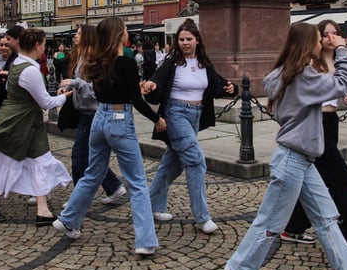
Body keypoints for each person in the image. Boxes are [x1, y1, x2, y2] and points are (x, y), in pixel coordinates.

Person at [224, 23, 347, 270]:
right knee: (271, 220)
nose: (323, 43)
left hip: (302, 158)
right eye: (319, 40)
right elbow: (342, 83)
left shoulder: (288, 74)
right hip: (293, 158)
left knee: (327, 218)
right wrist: (342, 49)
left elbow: (280, 81)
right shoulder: (303, 77)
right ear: (309, 45)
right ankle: (241, 267)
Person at [53, 17, 167, 257]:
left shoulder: (96, 62)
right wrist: (156, 119)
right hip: (119, 119)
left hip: (99, 119)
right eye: (125, 30)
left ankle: (69, 219)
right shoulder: (124, 62)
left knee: (93, 173)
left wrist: (139, 87)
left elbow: (100, 90)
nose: (128, 34)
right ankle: (145, 240)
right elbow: (134, 99)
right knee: (136, 182)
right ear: (118, 35)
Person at [280, 19, 347, 251]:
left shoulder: (337, 61)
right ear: (318, 39)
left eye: (336, 33)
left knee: (318, 181)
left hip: (331, 123)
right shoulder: (310, 65)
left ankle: (292, 227)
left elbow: (340, 89)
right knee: (343, 182)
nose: (332, 38)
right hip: (317, 125)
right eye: (326, 34)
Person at [142, 19, 237, 233]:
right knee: (195, 161)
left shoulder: (204, 62)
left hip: (195, 115)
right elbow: (157, 82)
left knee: (172, 164)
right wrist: (151, 86)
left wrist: (231, 88)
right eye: (181, 39)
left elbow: (217, 84)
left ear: (197, 40)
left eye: (189, 39)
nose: (185, 43)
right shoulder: (172, 61)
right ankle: (202, 217)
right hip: (175, 114)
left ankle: (148, 206)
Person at [0, 29, 72, 225]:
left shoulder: (19, 63)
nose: (44, 47)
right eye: (44, 43)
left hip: (28, 121)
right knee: (6, 160)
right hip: (18, 122)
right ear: (37, 45)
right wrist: (66, 96)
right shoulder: (30, 69)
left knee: (39, 160)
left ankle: (43, 209)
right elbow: (46, 102)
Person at [59, 25, 126, 204]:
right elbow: (77, 84)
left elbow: (96, 89)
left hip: (92, 112)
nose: (75, 36)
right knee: (91, 157)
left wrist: (76, 83)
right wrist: (66, 88)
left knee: (79, 156)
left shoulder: (93, 59)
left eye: (79, 33)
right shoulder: (79, 57)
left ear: (87, 36)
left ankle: (78, 199)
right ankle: (113, 186)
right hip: (83, 111)